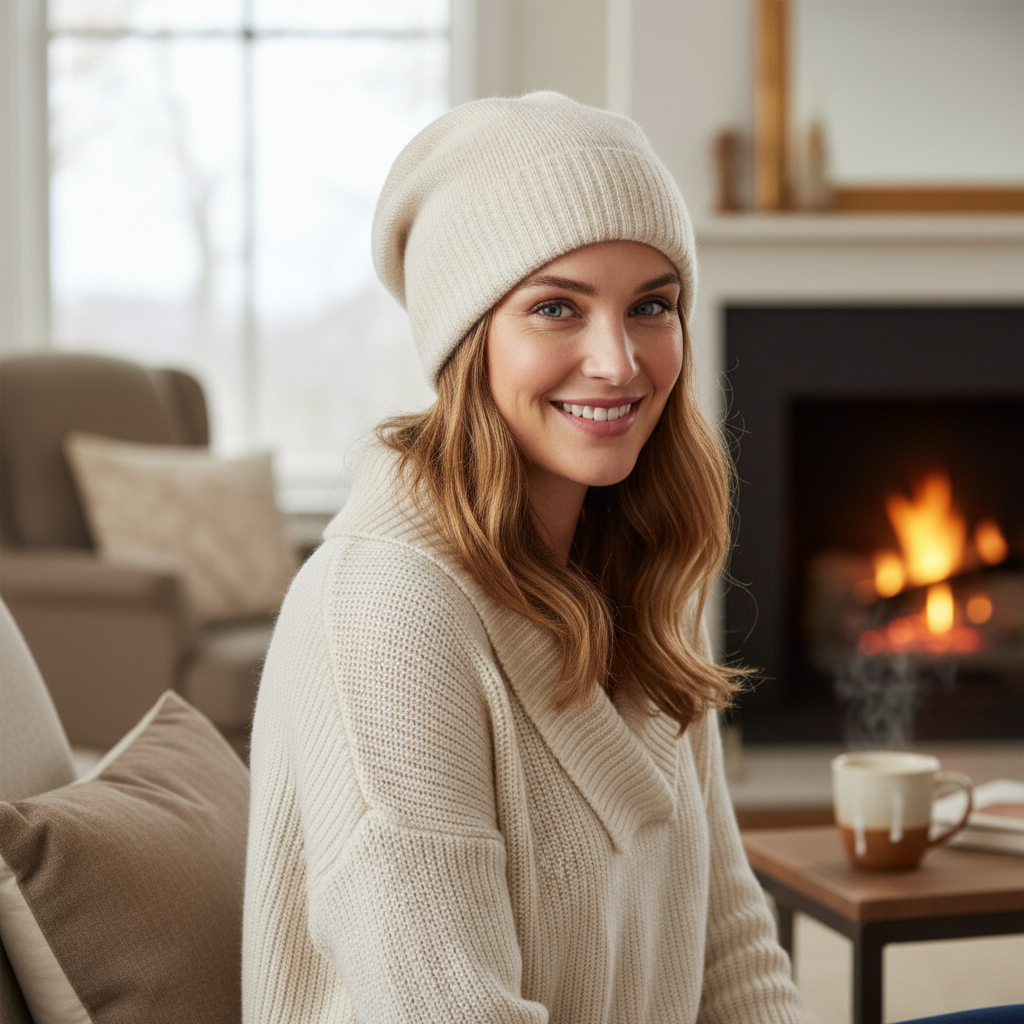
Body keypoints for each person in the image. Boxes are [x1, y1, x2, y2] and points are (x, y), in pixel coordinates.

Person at [243, 91, 806, 1023]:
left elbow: (733, 951)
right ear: (469, 341)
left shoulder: (637, 571)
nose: (619, 362)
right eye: (556, 308)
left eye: (651, 306)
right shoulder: (383, 618)